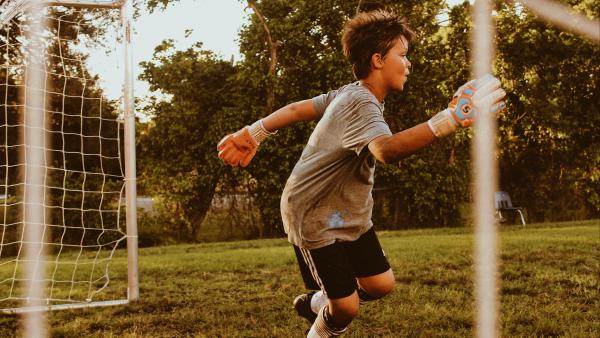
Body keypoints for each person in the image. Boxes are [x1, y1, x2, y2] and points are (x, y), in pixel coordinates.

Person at [216, 9, 506, 338]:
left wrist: (253, 133)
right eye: (403, 55)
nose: (408, 63)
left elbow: (300, 108)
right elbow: (386, 150)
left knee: (380, 284)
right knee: (347, 308)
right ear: (378, 59)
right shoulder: (360, 102)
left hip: (345, 214)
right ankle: (328, 309)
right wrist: (451, 119)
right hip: (313, 216)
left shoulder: (350, 93)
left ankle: (320, 301)